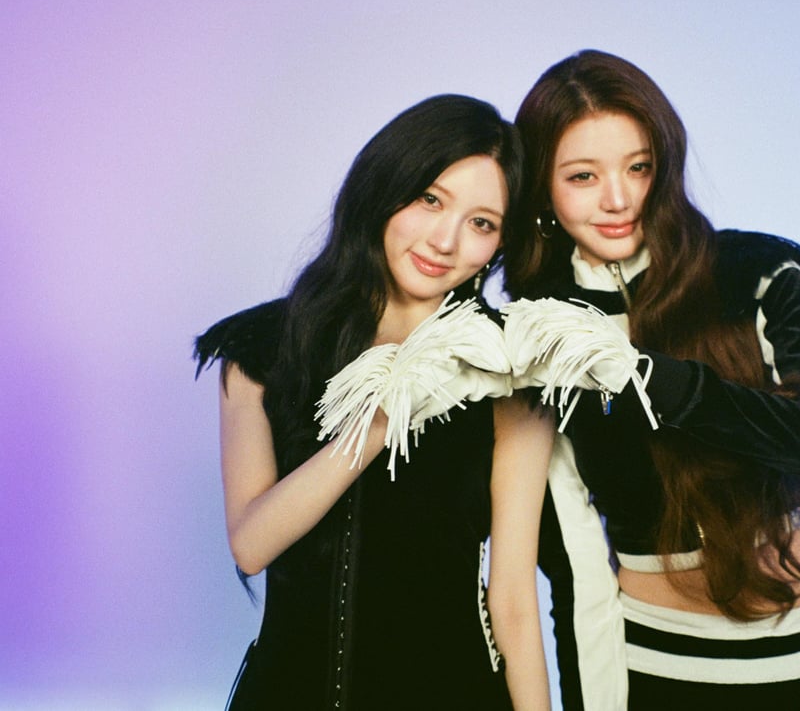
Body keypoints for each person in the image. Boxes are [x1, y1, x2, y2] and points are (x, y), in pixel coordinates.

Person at [501, 50, 800, 709]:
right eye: (582, 176)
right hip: (660, 666)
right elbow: (576, 568)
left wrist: (664, 382)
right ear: (542, 186)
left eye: (639, 167)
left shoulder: (754, 272)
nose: (618, 199)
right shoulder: (539, 335)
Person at [194, 94, 552, 710]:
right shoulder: (262, 348)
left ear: (499, 243)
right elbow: (252, 545)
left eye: (481, 223)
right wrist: (387, 413)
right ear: (383, 188)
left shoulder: (509, 372)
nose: (445, 240)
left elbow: (514, 601)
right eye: (430, 199)